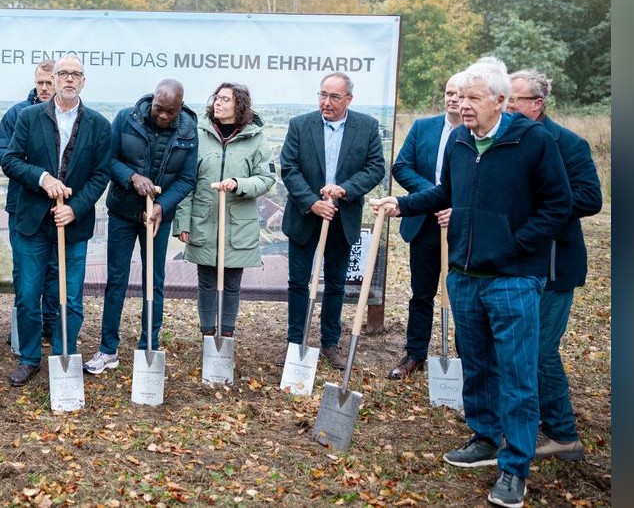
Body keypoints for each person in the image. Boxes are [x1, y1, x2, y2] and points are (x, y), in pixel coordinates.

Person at [371, 63, 572, 508]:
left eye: (473, 98)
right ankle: (484, 437)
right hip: (463, 276)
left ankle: (514, 467)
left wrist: (515, 245)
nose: (462, 105)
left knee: (517, 375)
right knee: (477, 363)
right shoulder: (460, 140)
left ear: (500, 101)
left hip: (514, 279)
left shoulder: (533, 142)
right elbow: (447, 192)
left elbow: (559, 204)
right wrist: (402, 204)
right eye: (460, 97)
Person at [508, 69, 603, 461]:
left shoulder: (569, 143)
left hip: (553, 263)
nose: (508, 105)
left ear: (537, 104)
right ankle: (525, 421)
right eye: (505, 98)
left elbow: (590, 199)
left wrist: (542, 200)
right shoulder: (505, 140)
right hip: (513, 260)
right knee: (518, 347)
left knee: (542, 349)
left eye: (515, 100)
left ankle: (564, 433)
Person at [0, 54, 111, 387]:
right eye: (63, 73)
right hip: (31, 221)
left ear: (83, 81)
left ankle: (65, 356)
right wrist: (42, 178)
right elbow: (10, 159)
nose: (69, 79)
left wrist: (75, 207)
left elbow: (100, 174)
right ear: (54, 77)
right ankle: (30, 357)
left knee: (70, 297)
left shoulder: (98, 125)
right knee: (28, 293)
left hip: (72, 225)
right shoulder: (29, 117)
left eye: (76, 74)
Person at [85, 79, 198, 375]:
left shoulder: (188, 130)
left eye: (170, 112)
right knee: (117, 280)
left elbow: (187, 179)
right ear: (152, 101)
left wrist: (163, 206)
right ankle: (108, 350)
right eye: (159, 109)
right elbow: (107, 160)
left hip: (158, 218)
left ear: (180, 108)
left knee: (154, 281)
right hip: (123, 211)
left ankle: (150, 345)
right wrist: (132, 177)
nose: (163, 116)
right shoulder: (126, 118)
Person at [279, 72, 386, 368]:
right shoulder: (300, 125)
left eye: (334, 97)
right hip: (305, 216)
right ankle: (295, 343)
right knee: (298, 282)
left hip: (342, 217)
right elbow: (289, 168)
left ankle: (330, 343)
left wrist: (345, 189)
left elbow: (375, 167)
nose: (326, 102)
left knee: (336, 284)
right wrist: (312, 203)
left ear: (349, 99)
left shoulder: (366, 127)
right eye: (322, 95)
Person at [173, 83, 276, 338]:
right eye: (216, 97)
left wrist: (238, 184)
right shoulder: (199, 134)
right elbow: (187, 182)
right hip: (204, 220)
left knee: (231, 284)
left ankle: (227, 335)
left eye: (225, 99)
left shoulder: (256, 138)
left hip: (237, 224)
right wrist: (183, 222)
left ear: (239, 105)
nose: (218, 102)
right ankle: (208, 335)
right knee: (206, 282)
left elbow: (266, 178)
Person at [386, 77, 460, 379]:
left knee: (463, 296)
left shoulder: (476, 133)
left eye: (459, 94)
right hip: (425, 224)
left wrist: (454, 205)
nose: (453, 99)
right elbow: (401, 167)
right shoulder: (423, 127)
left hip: (463, 226)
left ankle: (466, 358)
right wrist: (432, 194)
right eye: (449, 93)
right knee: (421, 294)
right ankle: (415, 354)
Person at [0, 60, 58, 343]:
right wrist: (31, 169)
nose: (43, 88)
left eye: (49, 83)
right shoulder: (17, 113)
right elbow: (2, 153)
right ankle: (23, 328)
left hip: (58, 208)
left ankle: (52, 326)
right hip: (22, 204)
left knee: (55, 270)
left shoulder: (70, 116)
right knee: (24, 271)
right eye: (39, 82)